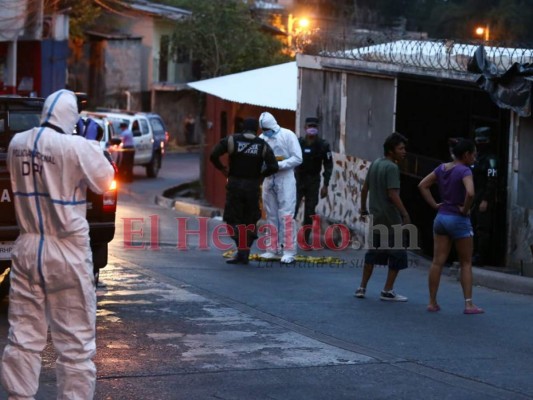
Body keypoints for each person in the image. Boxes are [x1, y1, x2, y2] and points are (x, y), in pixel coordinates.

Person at [1, 89, 115, 398]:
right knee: (75, 345)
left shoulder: (17, 144)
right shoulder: (75, 147)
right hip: (67, 250)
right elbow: (105, 180)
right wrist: (94, 145)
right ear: (71, 118)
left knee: (23, 336)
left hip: (27, 248)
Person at [418, 139, 484, 314]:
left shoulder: (442, 168)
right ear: (466, 155)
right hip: (458, 219)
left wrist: (434, 205)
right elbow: (470, 193)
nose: (475, 157)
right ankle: (469, 304)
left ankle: (432, 302)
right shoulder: (465, 170)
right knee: (466, 262)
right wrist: (465, 208)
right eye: (474, 154)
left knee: (437, 261)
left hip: (441, 218)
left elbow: (422, 185)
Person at [210, 117, 279, 264]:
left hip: (235, 184)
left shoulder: (231, 140)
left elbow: (213, 155)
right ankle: (244, 251)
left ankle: (241, 249)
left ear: (243, 127)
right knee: (250, 219)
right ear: (256, 130)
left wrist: (222, 169)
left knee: (232, 218)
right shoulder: (263, 145)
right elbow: (273, 166)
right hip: (252, 186)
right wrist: (261, 176)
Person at [355, 133, 410, 302]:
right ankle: (387, 290)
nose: (404, 152)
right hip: (391, 219)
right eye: (400, 148)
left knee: (372, 253)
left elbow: (365, 189)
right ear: (391, 151)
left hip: (377, 217)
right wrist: (405, 214)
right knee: (397, 254)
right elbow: (392, 194)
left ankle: (362, 287)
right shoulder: (392, 168)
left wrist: (363, 209)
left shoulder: (375, 164)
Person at [259, 111, 302, 264]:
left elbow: (298, 157)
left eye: (267, 129)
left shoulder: (287, 135)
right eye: (263, 130)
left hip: (286, 178)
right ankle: (272, 248)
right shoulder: (262, 139)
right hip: (269, 178)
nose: (266, 133)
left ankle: (289, 250)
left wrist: (279, 165)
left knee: (286, 214)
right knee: (271, 214)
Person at [295, 117, 333, 246]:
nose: (312, 128)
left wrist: (325, 185)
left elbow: (328, 165)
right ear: (305, 128)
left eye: (315, 126)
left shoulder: (323, 145)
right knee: (292, 209)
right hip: (298, 180)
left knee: (310, 211)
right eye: (310, 126)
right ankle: (285, 238)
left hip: (313, 181)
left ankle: (305, 240)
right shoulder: (298, 143)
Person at [471, 126, 498, 266]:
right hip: (474, 197)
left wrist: (486, 199)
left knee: (482, 229)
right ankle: (472, 254)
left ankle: (480, 257)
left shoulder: (490, 159)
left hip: (483, 198)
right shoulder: (476, 158)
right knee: (472, 227)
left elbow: (492, 180)